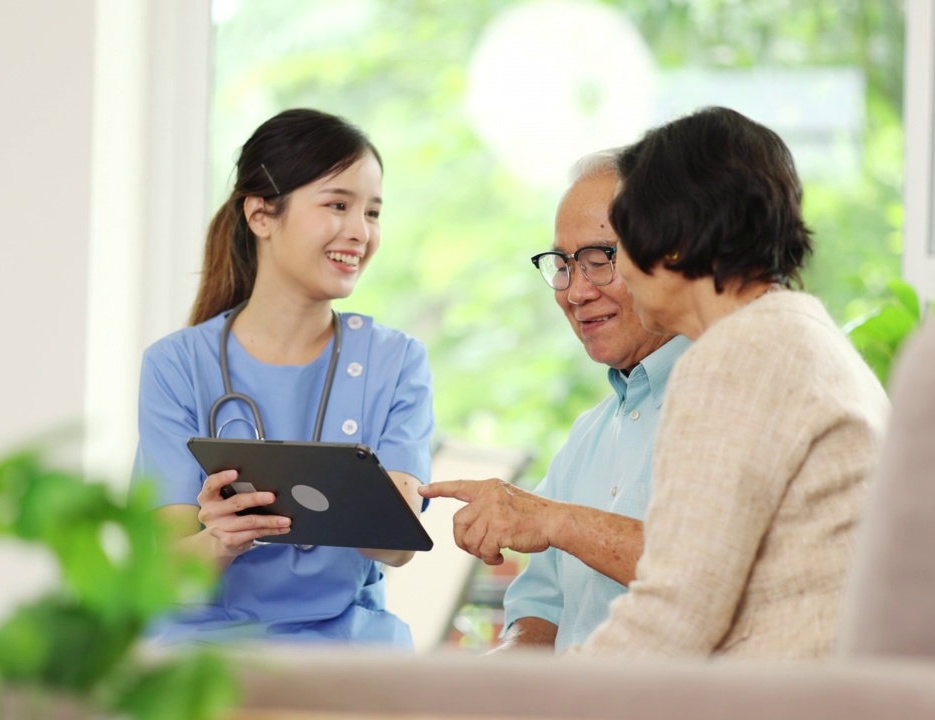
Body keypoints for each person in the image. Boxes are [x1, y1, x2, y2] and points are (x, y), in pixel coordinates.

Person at [565, 106, 889, 660]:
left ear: (672, 242)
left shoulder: (737, 355)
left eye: (617, 249)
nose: (584, 287)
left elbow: (673, 616)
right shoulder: (797, 332)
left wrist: (530, 699)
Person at [132, 108, 434, 647]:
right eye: (338, 205)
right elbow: (165, 573)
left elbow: (398, 544)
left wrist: (357, 505)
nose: (360, 232)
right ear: (261, 215)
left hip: (347, 643)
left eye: (373, 212)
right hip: (207, 644)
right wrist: (221, 540)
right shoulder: (177, 366)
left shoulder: (396, 362)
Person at [418, 150, 690, 653]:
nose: (575, 291)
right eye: (562, 264)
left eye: (598, 260)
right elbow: (538, 613)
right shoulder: (589, 433)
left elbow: (707, 572)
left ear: (665, 255)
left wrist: (556, 520)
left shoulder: (729, 404)